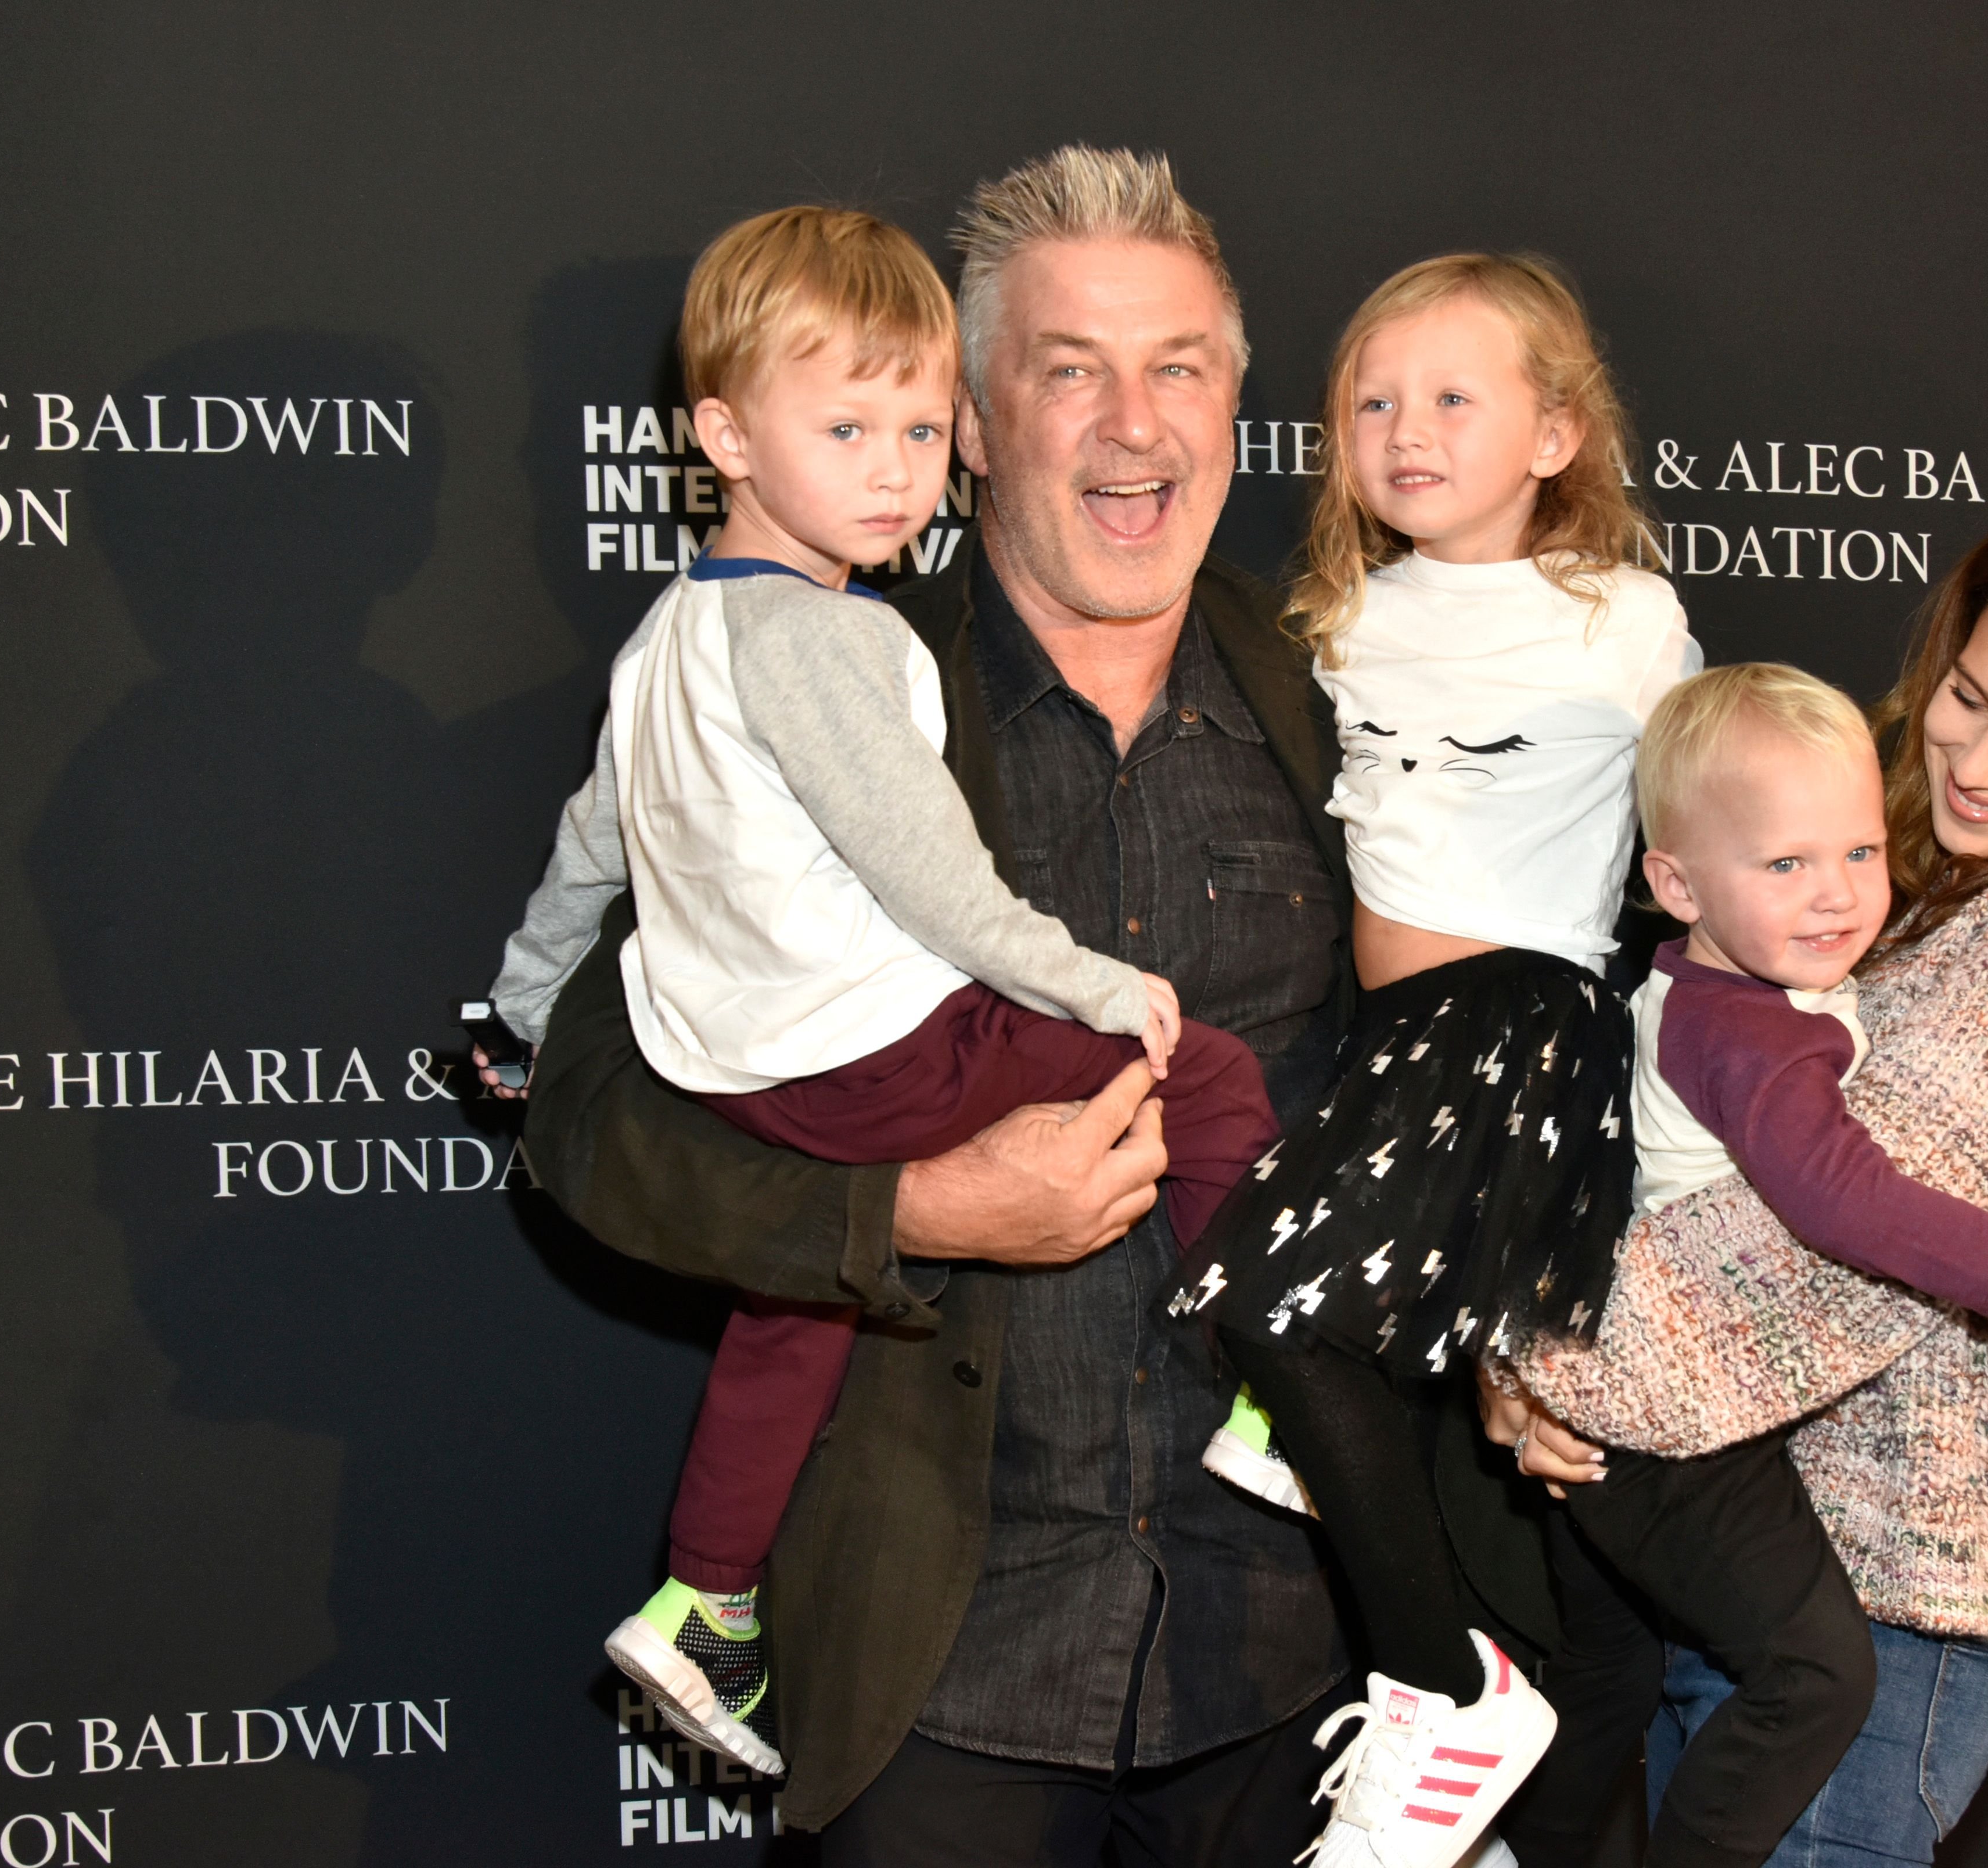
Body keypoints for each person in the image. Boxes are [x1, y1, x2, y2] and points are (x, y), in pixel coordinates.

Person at [489, 149, 1371, 1861]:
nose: (1138, 425)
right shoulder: (811, 679)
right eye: (1071, 371)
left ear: (1238, 407)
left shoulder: (1333, 708)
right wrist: (906, 1211)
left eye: (1179, 367)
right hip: (944, 1665)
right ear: (968, 421)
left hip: (1278, 1646)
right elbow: (591, 1118)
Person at [1511, 497, 1988, 1867]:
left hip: (1894, 1603)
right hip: (1769, 1550)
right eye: (1965, 697)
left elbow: (1827, 1247)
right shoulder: (1913, 885)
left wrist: (1550, 1366)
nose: (1974, 763)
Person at [1169, 252, 1698, 1866]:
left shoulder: (1622, 616)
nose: (1406, 431)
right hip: (1385, 1047)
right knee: (1273, 1332)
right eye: (1373, 403)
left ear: (1554, 434)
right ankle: (1411, 1607)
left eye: (1454, 399)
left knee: (1263, 1306)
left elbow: (1708, 843)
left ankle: (1444, 1695)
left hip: (1517, 1031)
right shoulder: (1336, 618)